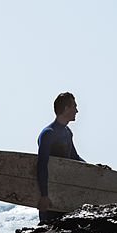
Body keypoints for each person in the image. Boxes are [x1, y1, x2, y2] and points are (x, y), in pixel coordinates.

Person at [36, 91, 86, 223]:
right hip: (50, 197)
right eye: (74, 106)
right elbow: (41, 166)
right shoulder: (48, 134)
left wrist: (94, 168)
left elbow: (74, 158)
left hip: (64, 194)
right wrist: (44, 196)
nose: (77, 110)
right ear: (66, 109)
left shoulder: (67, 132)